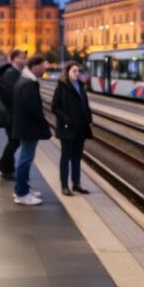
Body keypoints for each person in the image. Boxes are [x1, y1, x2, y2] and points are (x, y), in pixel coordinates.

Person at [12, 54, 51, 205]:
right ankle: (21, 193)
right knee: (25, 159)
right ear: (35, 67)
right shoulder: (28, 84)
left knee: (25, 158)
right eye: (42, 68)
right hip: (28, 128)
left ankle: (23, 188)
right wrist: (44, 124)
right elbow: (34, 109)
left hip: (25, 127)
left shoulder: (25, 80)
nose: (44, 71)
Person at [50, 61, 92, 196]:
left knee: (77, 157)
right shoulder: (62, 87)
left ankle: (76, 183)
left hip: (80, 127)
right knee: (66, 157)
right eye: (74, 71)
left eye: (78, 71)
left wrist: (89, 119)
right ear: (67, 72)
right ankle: (64, 185)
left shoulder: (80, 86)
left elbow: (85, 104)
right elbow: (54, 107)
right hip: (67, 128)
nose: (77, 73)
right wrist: (66, 119)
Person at [0, 50, 26, 180]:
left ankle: (7, 169)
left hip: (10, 113)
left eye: (25, 57)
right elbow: (12, 94)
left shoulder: (14, 71)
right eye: (21, 57)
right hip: (11, 114)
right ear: (13, 59)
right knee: (15, 141)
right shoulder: (11, 73)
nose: (24, 59)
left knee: (12, 140)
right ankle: (3, 165)